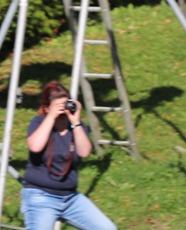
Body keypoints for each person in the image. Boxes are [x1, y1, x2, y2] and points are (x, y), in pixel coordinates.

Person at [21, 81, 117, 230]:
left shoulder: (76, 126)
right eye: (57, 106)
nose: (62, 110)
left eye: (65, 105)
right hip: (41, 196)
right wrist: (51, 117)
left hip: (70, 198)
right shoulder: (39, 122)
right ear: (47, 108)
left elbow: (84, 152)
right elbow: (35, 146)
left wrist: (75, 121)